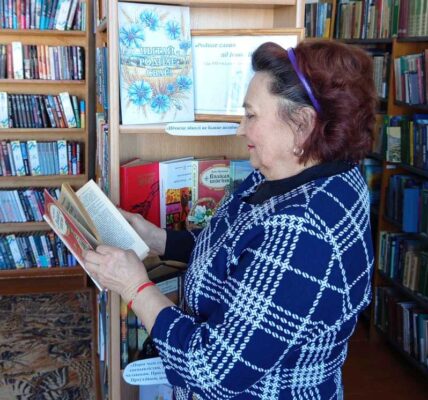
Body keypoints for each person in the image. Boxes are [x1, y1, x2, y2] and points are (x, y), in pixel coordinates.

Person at [84, 39, 377, 399]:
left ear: (302, 125)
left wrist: (135, 288)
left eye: (251, 115)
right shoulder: (291, 172)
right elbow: (236, 247)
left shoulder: (305, 232)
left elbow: (211, 371)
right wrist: (159, 239)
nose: (240, 129)